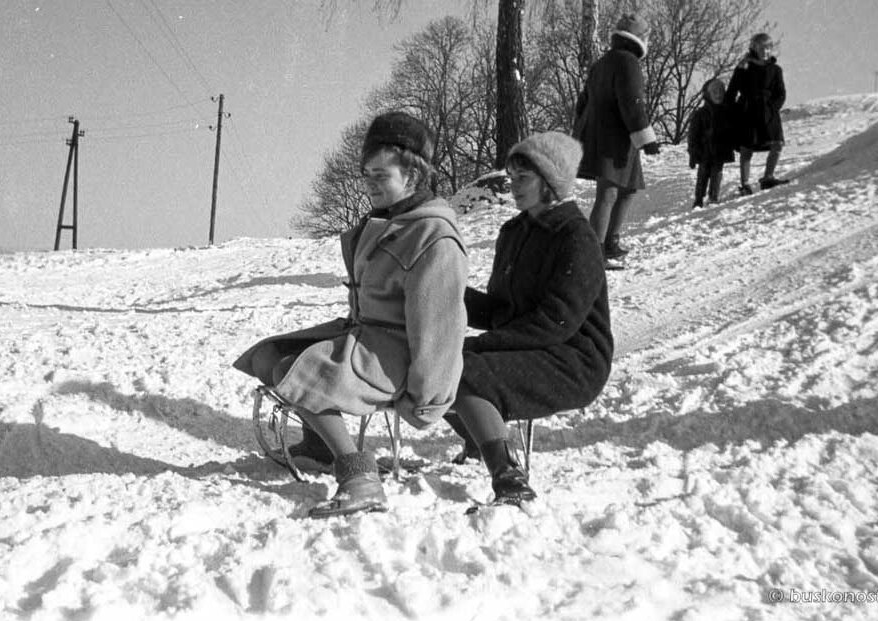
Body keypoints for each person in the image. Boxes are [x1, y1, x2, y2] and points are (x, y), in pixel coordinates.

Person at [233, 111, 468, 518]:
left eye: (383, 176)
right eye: (367, 175)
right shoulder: (386, 222)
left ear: (413, 175)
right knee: (270, 357)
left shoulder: (434, 236)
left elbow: (439, 329)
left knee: (296, 370)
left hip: (398, 354)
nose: (372, 185)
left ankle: (358, 476)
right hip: (366, 338)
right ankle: (320, 446)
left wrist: (427, 399)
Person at [445, 131, 613, 505]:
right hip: (529, 346)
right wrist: (446, 296)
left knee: (466, 370)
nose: (513, 186)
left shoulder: (576, 237)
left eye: (524, 178)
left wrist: (480, 345)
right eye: (512, 177)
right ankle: (480, 437)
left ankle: (508, 477)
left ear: (550, 182)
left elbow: (556, 321)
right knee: (439, 360)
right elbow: (502, 311)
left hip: (573, 358)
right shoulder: (514, 231)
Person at [572, 14, 660, 261]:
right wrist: (647, 138)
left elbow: (582, 103)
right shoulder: (628, 61)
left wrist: (579, 133)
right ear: (641, 38)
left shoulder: (602, 63)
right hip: (616, 138)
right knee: (608, 193)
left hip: (607, 136)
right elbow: (632, 101)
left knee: (628, 189)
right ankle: (595, 252)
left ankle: (610, 241)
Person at [726, 32, 788, 195]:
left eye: (768, 48)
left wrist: (773, 108)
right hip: (748, 111)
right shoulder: (743, 68)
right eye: (761, 47)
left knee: (777, 144)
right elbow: (732, 91)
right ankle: (745, 184)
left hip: (768, 111)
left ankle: (768, 177)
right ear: (753, 48)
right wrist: (732, 111)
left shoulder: (776, 70)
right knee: (747, 148)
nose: (765, 51)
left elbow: (780, 93)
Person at [687, 77, 736, 208]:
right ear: (708, 94)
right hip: (704, 151)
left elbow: (732, 130)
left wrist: (735, 144)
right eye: (715, 92)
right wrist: (693, 153)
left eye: (721, 91)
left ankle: (713, 197)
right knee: (702, 175)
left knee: (717, 174)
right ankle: (698, 199)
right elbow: (692, 135)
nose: (718, 95)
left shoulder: (726, 112)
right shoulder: (700, 114)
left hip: (720, 150)